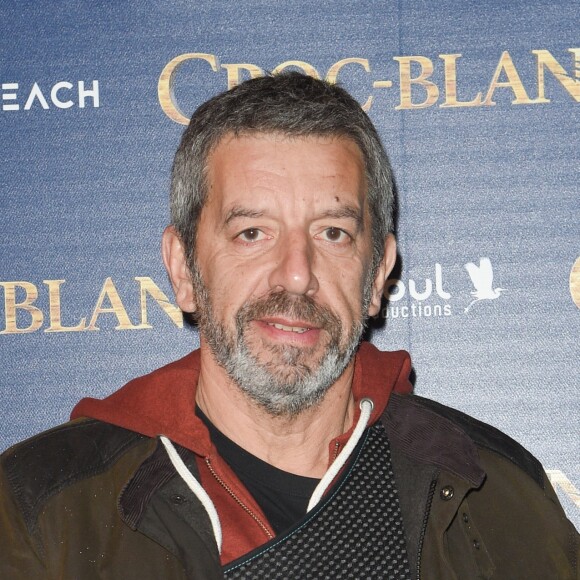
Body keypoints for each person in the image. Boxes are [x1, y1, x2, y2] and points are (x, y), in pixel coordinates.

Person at [0, 73, 577, 580]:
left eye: (333, 233)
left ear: (377, 273)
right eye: (252, 233)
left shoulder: (494, 493)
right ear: (183, 269)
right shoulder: (36, 510)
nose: (296, 276)